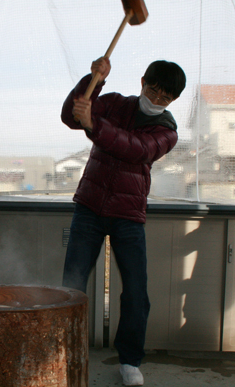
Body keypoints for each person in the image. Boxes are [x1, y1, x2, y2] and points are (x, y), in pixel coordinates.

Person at [61, 57, 186, 386]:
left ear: (173, 101)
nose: (156, 99)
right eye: (153, 90)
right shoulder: (115, 102)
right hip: (89, 206)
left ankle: (130, 360)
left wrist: (94, 125)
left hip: (128, 215)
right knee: (71, 285)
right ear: (142, 80)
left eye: (164, 97)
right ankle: (63, 348)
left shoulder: (167, 132)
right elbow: (70, 115)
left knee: (135, 291)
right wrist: (94, 79)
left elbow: (134, 150)